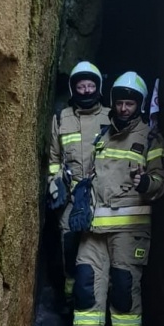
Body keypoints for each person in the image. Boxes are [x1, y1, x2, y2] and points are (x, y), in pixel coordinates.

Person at [55, 71, 164, 326]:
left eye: (130, 103)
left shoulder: (149, 137)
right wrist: (79, 198)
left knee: (123, 291)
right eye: (119, 102)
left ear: (139, 105)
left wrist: (146, 181)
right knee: (85, 287)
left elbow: (161, 182)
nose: (123, 108)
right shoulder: (102, 137)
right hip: (94, 228)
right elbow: (91, 176)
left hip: (129, 230)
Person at [47, 61, 110, 301]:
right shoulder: (62, 118)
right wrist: (55, 182)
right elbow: (54, 158)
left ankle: (98, 298)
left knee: (98, 248)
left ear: (98, 87)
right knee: (69, 244)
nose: (86, 90)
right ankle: (69, 297)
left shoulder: (109, 116)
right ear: (74, 89)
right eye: (81, 86)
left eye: (90, 85)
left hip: (101, 198)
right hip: (72, 197)